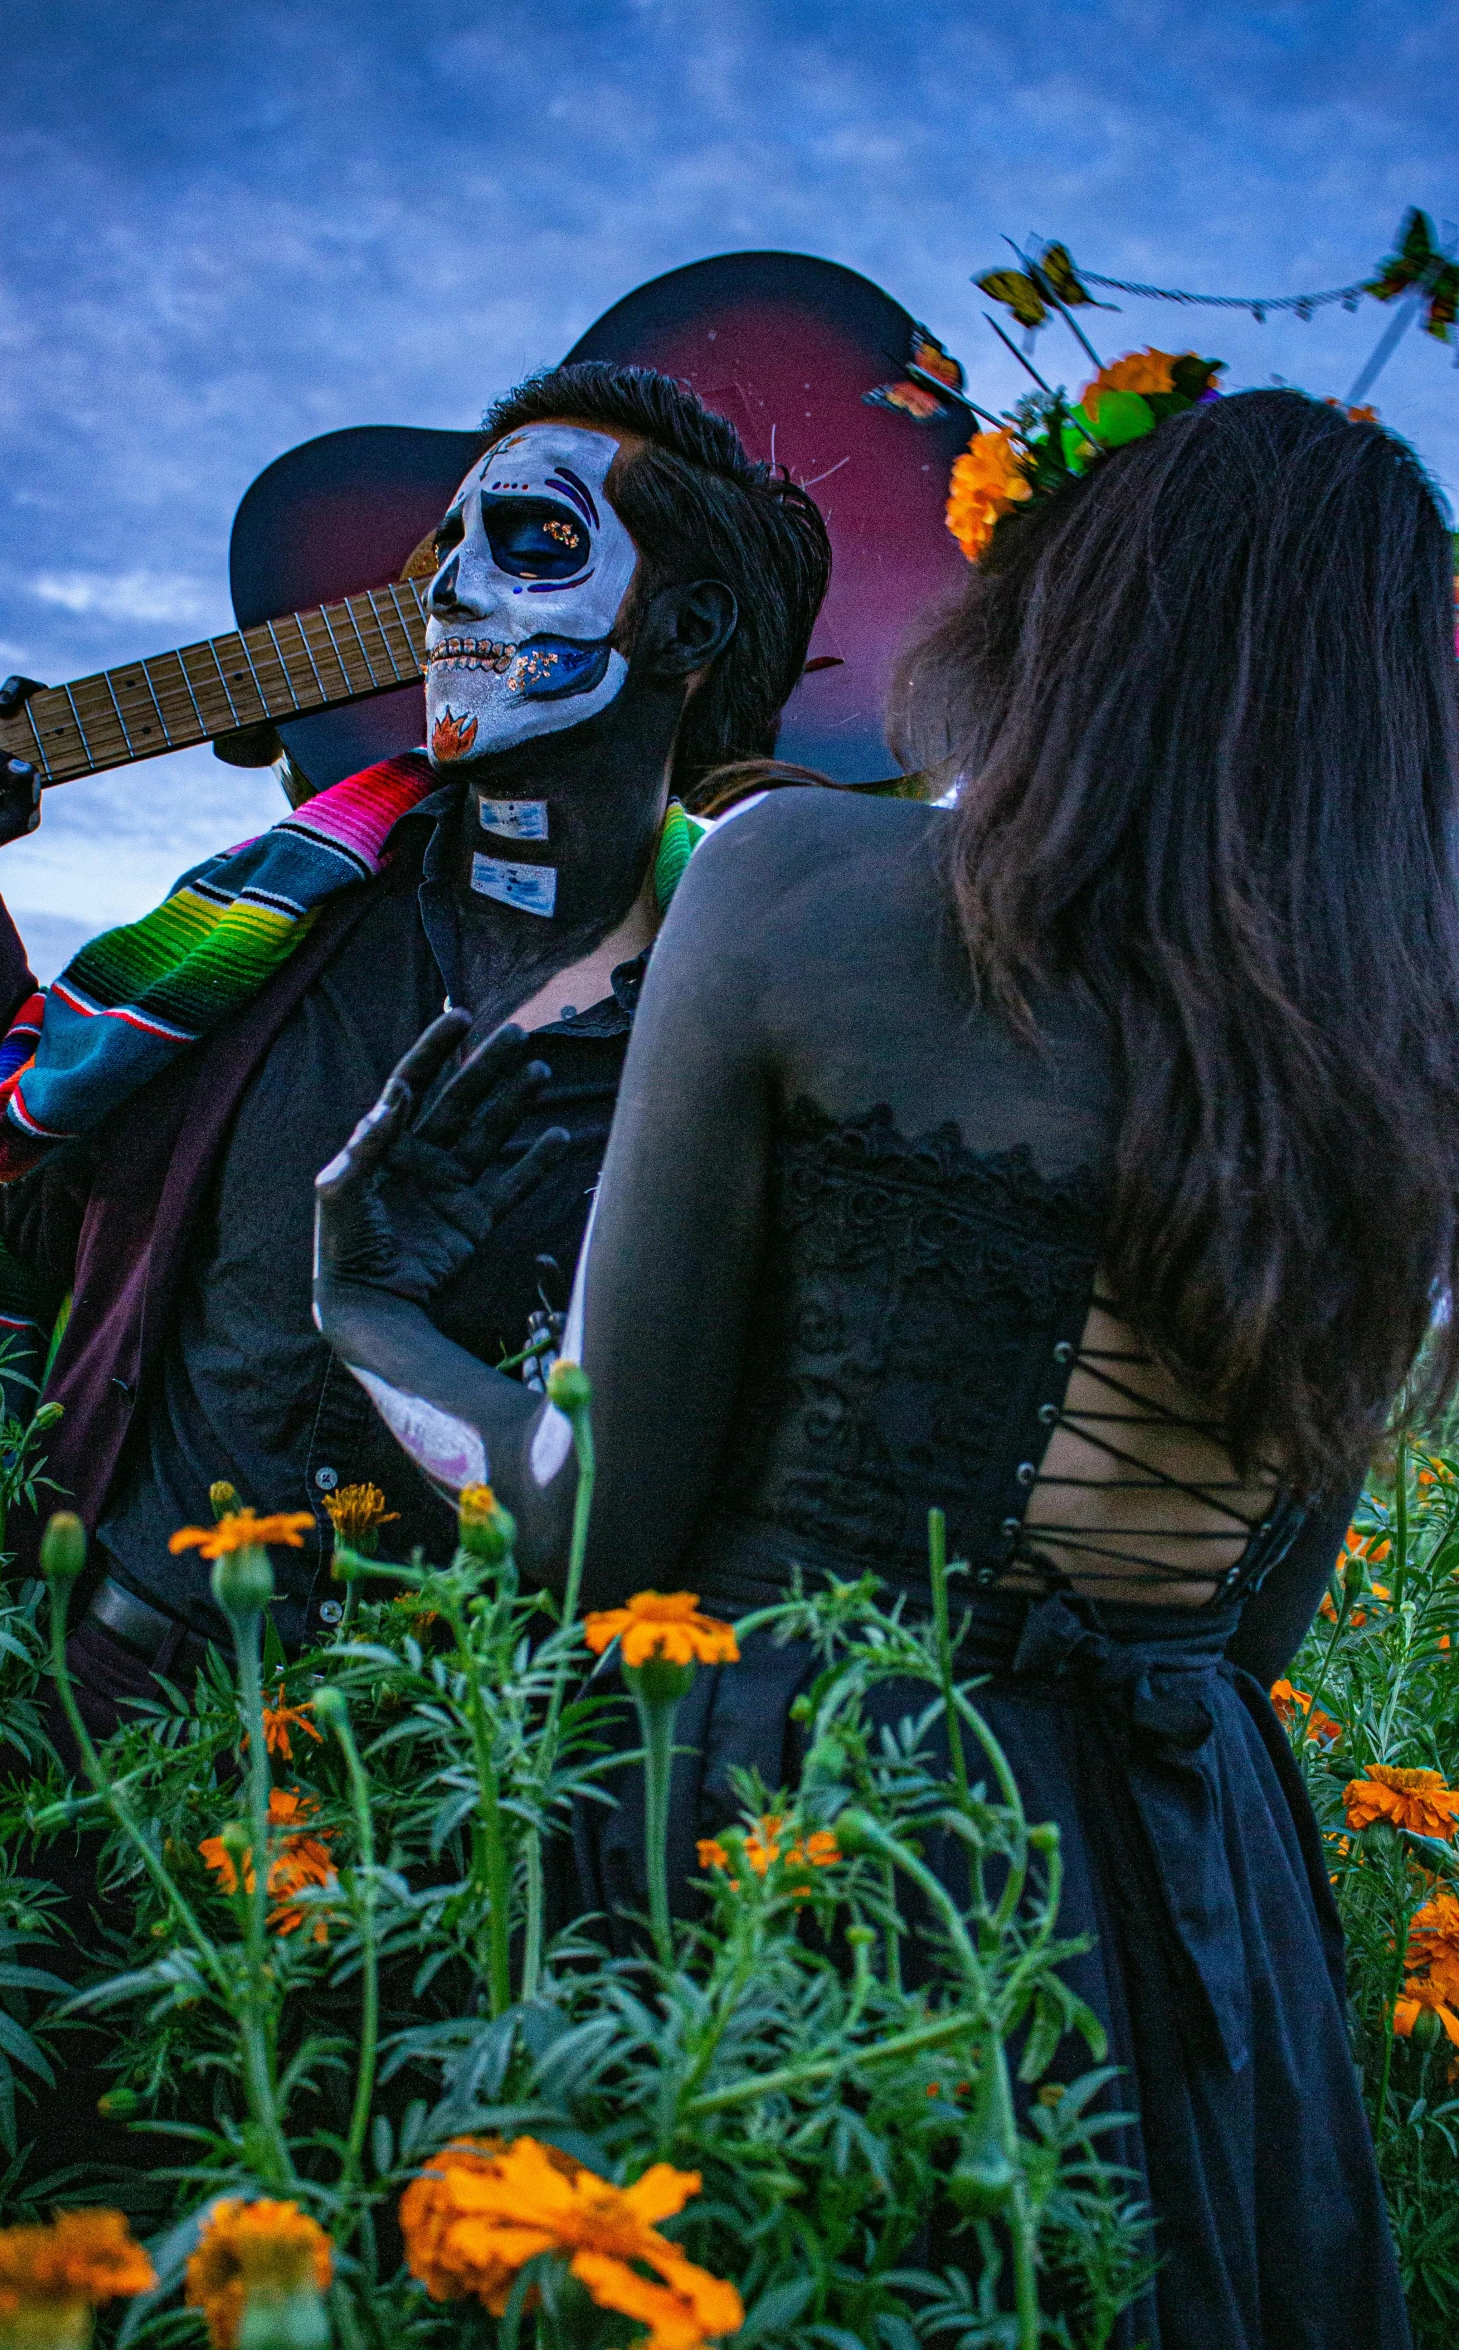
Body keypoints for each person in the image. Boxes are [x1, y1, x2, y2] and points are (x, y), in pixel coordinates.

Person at [313, 386, 1459, 2346]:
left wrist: (376, 1315)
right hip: (1197, 1888)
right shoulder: (1400, 1073)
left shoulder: (800, 890)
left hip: (811, 1844)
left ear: (1082, 621)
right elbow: (1241, 1631)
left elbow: (600, 1546)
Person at [0, 360, 831, 1734]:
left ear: (686, 625)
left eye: (533, 544)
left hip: (475, 1800)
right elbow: (35, 1185)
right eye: (442, 550)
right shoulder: (278, 935)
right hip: (122, 1716)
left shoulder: (747, 1023)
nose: (446, 592)